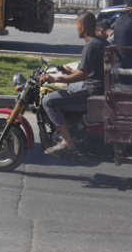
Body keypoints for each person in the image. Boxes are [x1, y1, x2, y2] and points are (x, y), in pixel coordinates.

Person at [40, 11, 107, 159]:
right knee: (67, 89)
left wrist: (55, 79)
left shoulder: (91, 45)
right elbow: (89, 71)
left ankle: (67, 142)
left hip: (91, 92)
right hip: (96, 87)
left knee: (48, 101)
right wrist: (69, 71)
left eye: (76, 25)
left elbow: (83, 75)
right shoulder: (100, 42)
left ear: (83, 27)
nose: (75, 28)